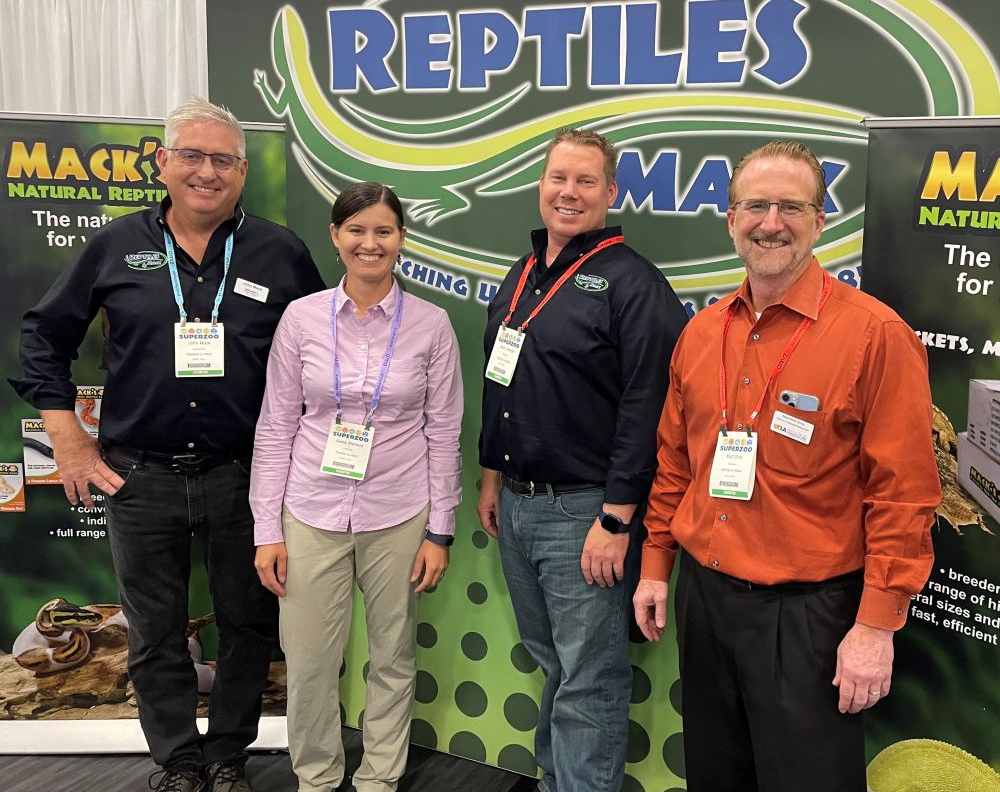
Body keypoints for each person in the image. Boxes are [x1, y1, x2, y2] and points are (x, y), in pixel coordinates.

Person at [11, 98, 326, 792]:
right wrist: (69, 441)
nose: (206, 172)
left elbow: (323, 355)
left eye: (222, 160)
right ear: (163, 163)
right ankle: (179, 763)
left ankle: (228, 759)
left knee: (248, 624)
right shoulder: (115, 244)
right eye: (192, 155)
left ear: (242, 172)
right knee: (155, 632)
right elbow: (42, 338)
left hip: (246, 477)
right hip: (138, 477)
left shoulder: (280, 251)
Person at [634, 140, 941, 791]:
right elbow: (674, 463)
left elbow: (904, 495)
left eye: (791, 207)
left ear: (821, 220)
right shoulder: (702, 332)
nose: (771, 222)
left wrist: (876, 626)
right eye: (755, 205)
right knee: (716, 777)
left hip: (809, 618)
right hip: (706, 601)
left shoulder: (874, 336)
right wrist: (657, 566)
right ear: (730, 217)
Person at [477, 128, 688, 792]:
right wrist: (491, 474)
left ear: (611, 192)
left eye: (585, 181)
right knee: (556, 664)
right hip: (515, 503)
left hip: (585, 512)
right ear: (541, 185)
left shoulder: (634, 284)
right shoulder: (523, 273)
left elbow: (647, 407)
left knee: (589, 677)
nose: (568, 192)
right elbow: (501, 378)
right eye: (557, 178)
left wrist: (618, 518)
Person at [250, 181, 462, 792]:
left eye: (384, 231)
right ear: (335, 236)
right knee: (312, 661)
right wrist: (267, 528)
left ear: (401, 239)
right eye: (357, 230)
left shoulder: (431, 325)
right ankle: (316, 777)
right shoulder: (301, 318)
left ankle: (379, 778)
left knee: (393, 656)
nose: (371, 244)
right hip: (310, 510)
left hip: (399, 513)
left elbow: (444, 430)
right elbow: (275, 427)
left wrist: (439, 530)